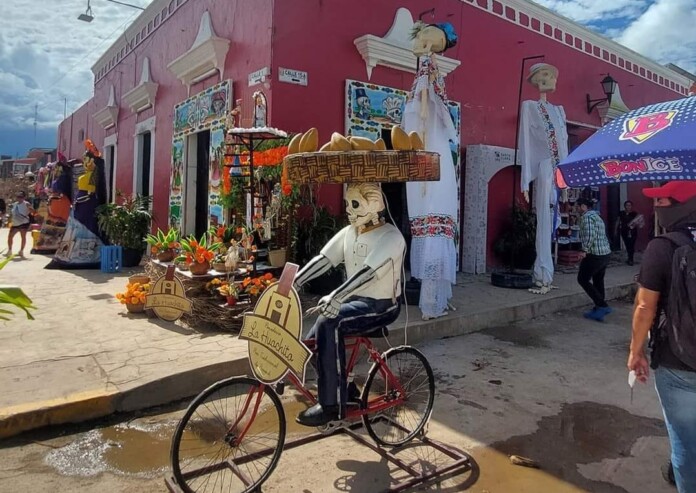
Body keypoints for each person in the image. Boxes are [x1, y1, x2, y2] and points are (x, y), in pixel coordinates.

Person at [293, 183, 406, 427]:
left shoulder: (392, 237)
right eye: (347, 204)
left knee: (328, 322)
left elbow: (368, 272)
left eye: (355, 204)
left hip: (381, 305)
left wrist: (335, 296)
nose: (348, 210)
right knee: (311, 346)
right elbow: (325, 259)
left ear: (375, 205)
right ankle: (345, 389)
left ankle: (330, 404)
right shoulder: (350, 232)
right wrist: (295, 281)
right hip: (355, 300)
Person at [628, 181, 696, 493]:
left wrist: (636, 351)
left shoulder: (662, 246)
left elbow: (645, 306)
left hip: (679, 362)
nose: (657, 207)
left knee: (686, 446)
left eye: (664, 202)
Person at [403, 21, 459, 319]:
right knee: (430, 220)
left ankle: (434, 300)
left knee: (434, 220)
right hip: (427, 153)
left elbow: (426, 107)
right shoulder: (426, 71)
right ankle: (433, 299)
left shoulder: (428, 70)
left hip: (430, 153)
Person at [577, 197, 612, 321]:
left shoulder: (587, 217)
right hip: (604, 253)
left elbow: (590, 235)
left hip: (595, 254)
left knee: (582, 279)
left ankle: (602, 305)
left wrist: (584, 250)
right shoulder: (597, 216)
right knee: (598, 280)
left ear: (583, 207)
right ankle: (599, 307)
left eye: (578, 206)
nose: (577, 209)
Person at [6, 191, 35, 258]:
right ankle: (9, 250)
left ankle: (21, 251)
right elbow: (12, 213)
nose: (19, 198)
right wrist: (9, 220)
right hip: (15, 224)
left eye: (21, 197)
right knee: (10, 237)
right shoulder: (15, 204)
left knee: (23, 237)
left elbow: (33, 212)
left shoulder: (26, 204)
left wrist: (31, 210)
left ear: (24, 197)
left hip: (23, 223)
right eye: (18, 197)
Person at [616, 200, 642, 265]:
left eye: (629, 205)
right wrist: (615, 230)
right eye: (627, 205)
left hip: (632, 232)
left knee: (632, 245)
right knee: (627, 245)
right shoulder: (621, 213)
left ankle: (631, 259)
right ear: (624, 206)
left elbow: (638, 222)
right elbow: (618, 221)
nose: (628, 207)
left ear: (631, 206)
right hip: (624, 231)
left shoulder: (634, 214)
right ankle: (629, 258)